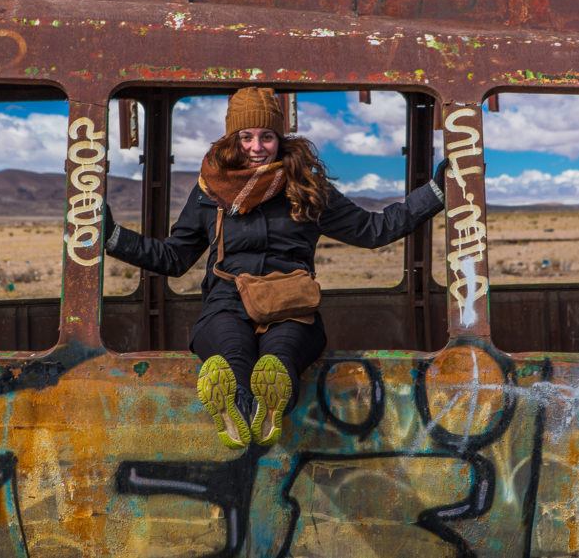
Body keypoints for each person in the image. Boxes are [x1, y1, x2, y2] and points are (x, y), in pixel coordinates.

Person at [105, 87, 447, 449]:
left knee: (279, 358)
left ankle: (267, 405)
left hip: (291, 309)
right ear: (231, 139)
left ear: (279, 139)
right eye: (247, 137)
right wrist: (112, 237)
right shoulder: (210, 191)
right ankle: (239, 406)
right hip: (227, 304)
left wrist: (435, 192)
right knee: (231, 355)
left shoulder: (307, 187)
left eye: (266, 137)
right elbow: (174, 258)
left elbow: (374, 229)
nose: (256, 147)